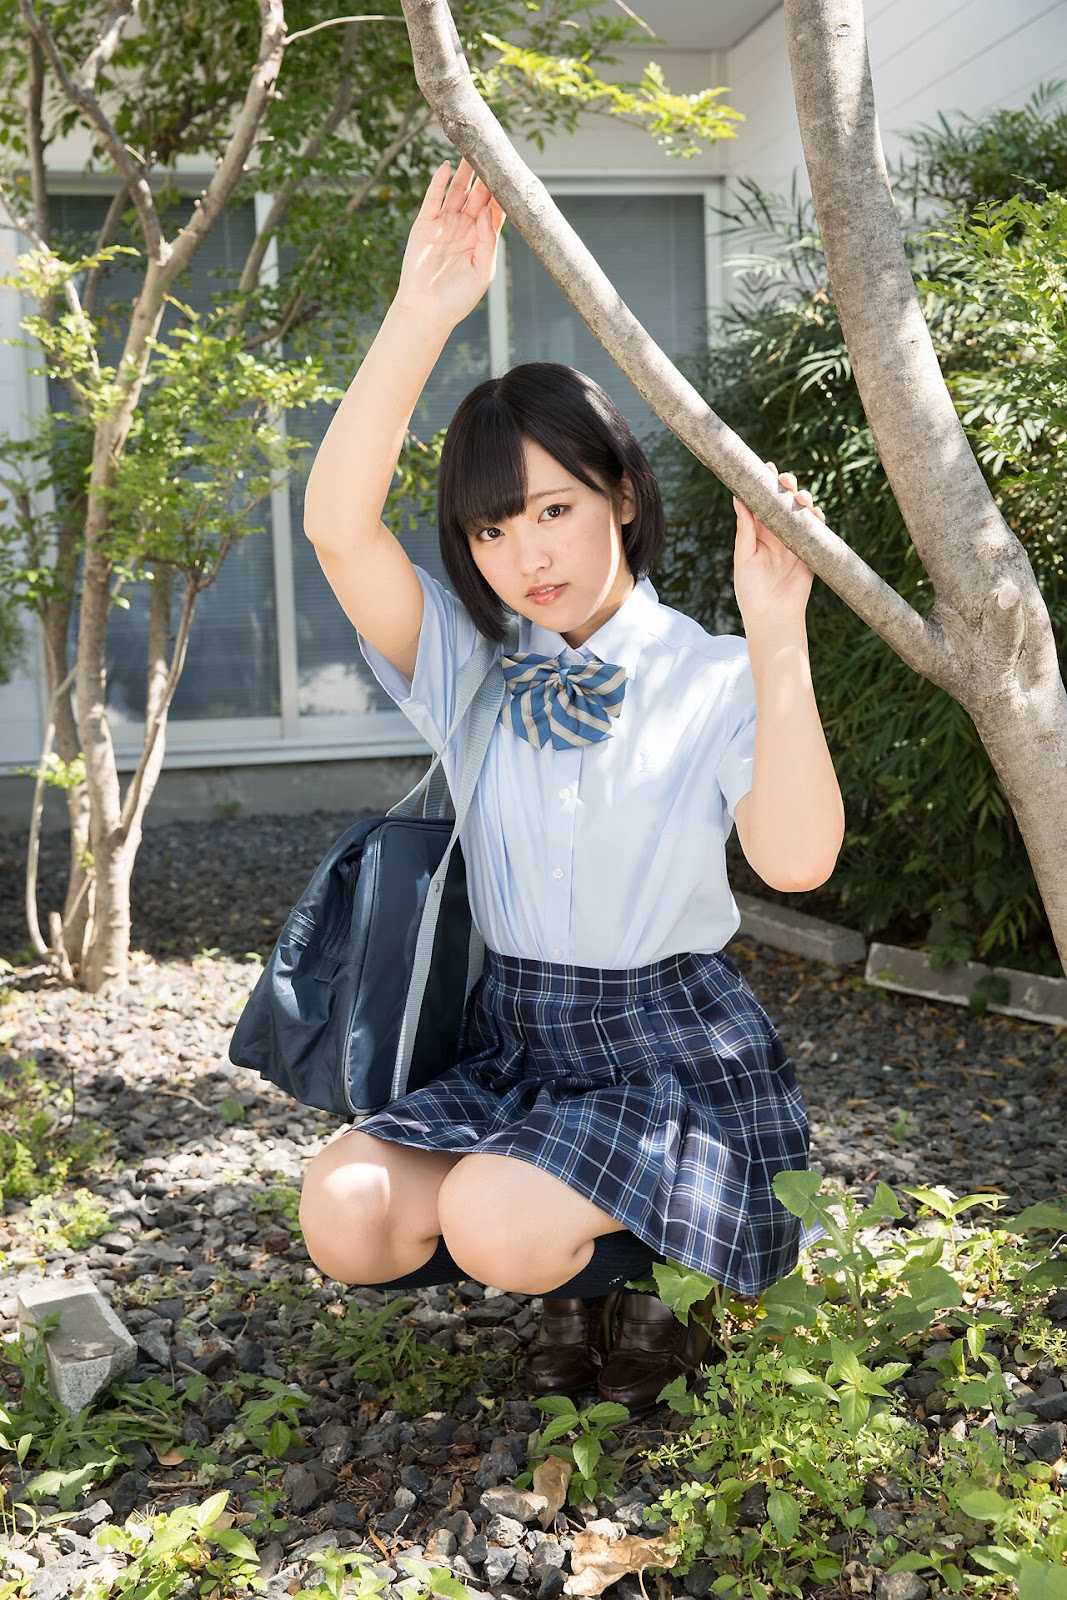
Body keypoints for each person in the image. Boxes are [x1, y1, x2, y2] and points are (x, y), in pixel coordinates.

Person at [297, 155, 839, 1413]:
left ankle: (656, 1278)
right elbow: (335, 528)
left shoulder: (710, 671)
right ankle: (579, 1266)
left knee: (493, 1217)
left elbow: (797, 860)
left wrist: (777, 634)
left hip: (670, 1053)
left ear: (622, 494)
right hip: (519, 1038)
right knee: (345, 1209)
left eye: (551, 509)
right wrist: (423, 306)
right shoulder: (473, 669)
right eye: (490, 528)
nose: (523, 554)